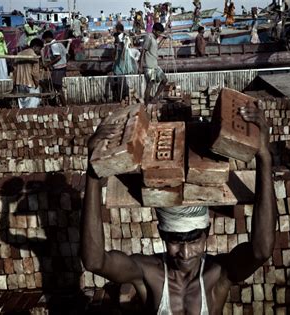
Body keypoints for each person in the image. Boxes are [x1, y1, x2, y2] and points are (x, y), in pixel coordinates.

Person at [81, 106, 276, 314]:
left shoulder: (217, 275)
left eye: (193, 241)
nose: (184, 253)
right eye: (175, 240)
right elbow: (95, 261)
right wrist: (93, 174)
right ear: (162, 234)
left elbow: (262, 250)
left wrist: (264, 156)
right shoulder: (149, 273)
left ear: (207, 233)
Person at [139, 22, 168, 105]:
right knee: (150, 85)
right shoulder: (149, 37)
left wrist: (163, 39)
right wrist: (140, 66)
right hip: (148, 66)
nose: (159, 34)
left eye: (160, 33)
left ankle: (155, 98)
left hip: (155, 65)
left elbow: (156, 48)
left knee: (164, 80)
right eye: (158, 32)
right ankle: (146, 104)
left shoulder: (154, 39)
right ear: (154, 30)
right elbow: (143, 51)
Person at [13, 38, 43, 108]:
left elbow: (14, 70)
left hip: (19, 84)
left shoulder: (19, 54)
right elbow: (35, 73)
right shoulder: (35, 56)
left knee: (22, 105)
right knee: (33, 106)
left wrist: (14, 84)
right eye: (39, 49)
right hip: (29, 84)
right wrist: (37, 83)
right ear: (35, 47)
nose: (39, 51)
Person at [42, 30, 68, 106]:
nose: (45, 41)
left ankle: (64, 105)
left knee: (57, 87)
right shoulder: (60, 43)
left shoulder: (53, 45)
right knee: (56, 86)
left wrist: (48, 64)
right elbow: (67, 55)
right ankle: (61, 104)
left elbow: (58, 57)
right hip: (62, 67)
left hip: (58, 68)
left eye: (45, 39)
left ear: (47, 38)